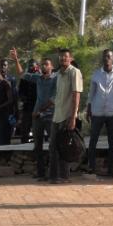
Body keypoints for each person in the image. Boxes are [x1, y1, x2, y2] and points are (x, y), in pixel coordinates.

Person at [9, 50, 58, 178]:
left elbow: (53, 99)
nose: (44, 66)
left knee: (53, 145)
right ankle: (41, 173)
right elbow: (21, 74)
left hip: (50, 116)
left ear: (51, 67)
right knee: (38, 146)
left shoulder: (56, 79)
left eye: (46, 64)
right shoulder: (38, 78)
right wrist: (16, 60)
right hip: (37, 117)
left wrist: (39, 111)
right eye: (42, 64)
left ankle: (53, 173)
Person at [86, 49, 113, 175]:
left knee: (112, 140)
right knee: (93, 140)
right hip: (97, 111)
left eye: (109, 56)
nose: (106, 59)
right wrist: (88, 109)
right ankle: (91, 167)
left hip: (112, 112)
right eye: (104, 57)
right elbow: (91, 93)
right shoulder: (96, 74)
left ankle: (111, 168)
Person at [47, 49, 83, 183]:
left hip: (67, 116)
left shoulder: (74, 72)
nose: (63, 59)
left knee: (64, 147)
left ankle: (63, 176)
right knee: (54, 147)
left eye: (65, 57)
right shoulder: (59, 74)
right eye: (61, 57)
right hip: (57, 115)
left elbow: (76, 95)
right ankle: (54, 176)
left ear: (71, 58)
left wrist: (73, 117)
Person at [15, 59, 39, 142]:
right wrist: (22, 98)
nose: (31, 67)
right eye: (30, 65)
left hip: (37, 108)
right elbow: (20, 92)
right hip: (27, 108)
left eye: (33, 65)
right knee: (25, 130)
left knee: (37, 130)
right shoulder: (25, 78)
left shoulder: (40, 77)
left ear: (37, 66)